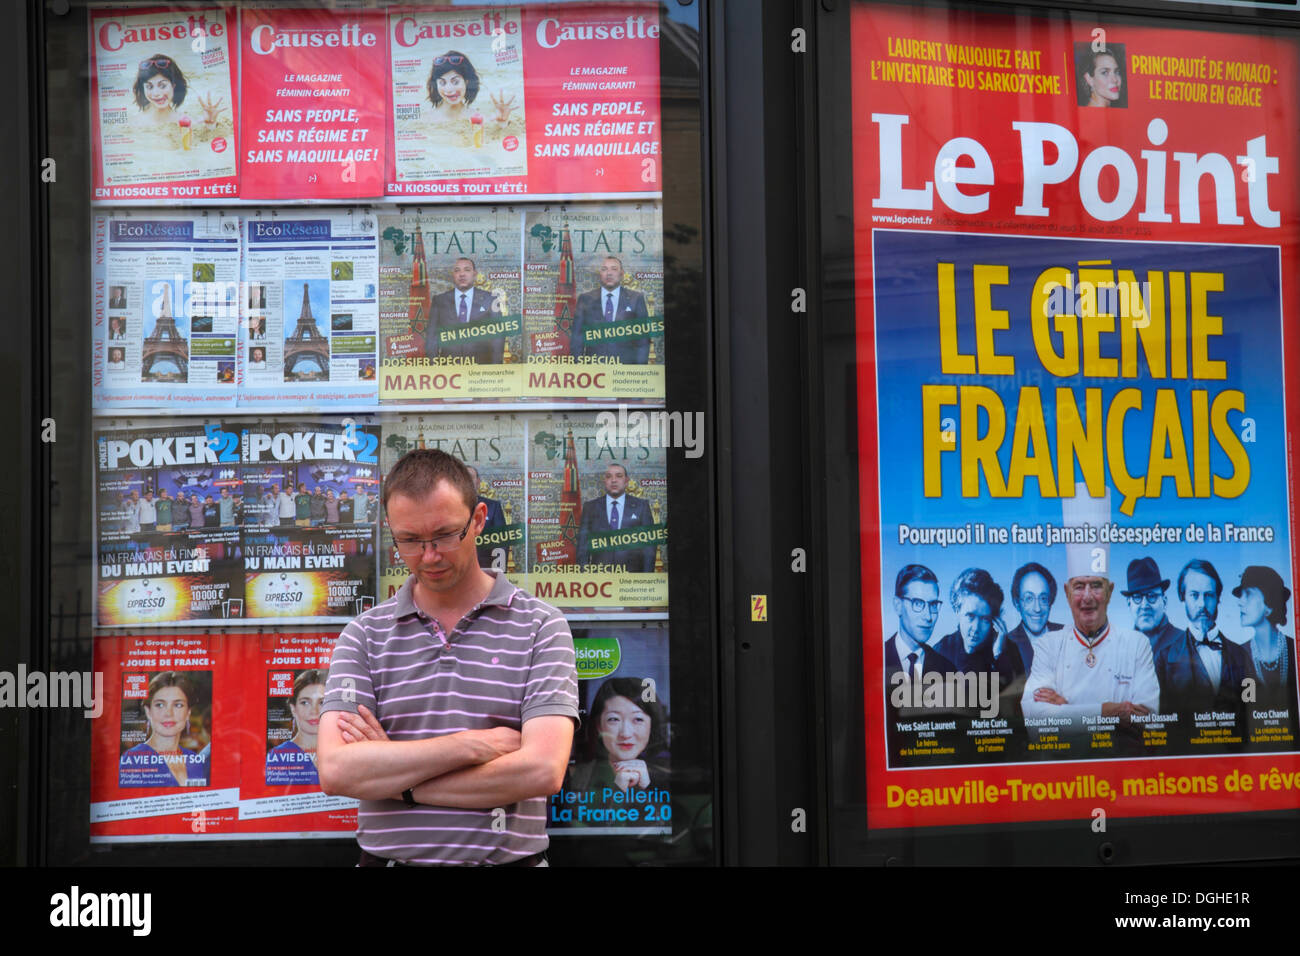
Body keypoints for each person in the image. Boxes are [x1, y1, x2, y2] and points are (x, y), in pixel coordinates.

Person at [316, 448, 578, 866]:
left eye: (443, 535)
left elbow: (541, 771)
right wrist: (473, 744)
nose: (429, 555)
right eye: (410, 540)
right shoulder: (364, 635)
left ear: (477, 520)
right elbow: (337, 771)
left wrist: (402, 784)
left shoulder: (540, 626)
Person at [1020, 573, 1159, 724]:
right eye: (1079, 587)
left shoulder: (1137, 644)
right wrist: (1106, 711)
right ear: (1067, 592)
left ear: (1109, 591)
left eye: (1096, 586)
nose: (1087, 597)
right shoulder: (1048, 645)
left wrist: (1065, 711)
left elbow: (1147, 722)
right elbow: (1036, 720)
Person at [1154, 559, 1251, 718]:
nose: (1202, 604)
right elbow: (1163, 718)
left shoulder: (1241, 655)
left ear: (1218, 598)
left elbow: (1252, 705)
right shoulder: (1164, 660)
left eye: (1209, 595)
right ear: (1182, 597)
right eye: (1194, 595)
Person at [564, 677, 669, 796]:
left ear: (651, 725)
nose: (625, 733)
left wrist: (646, 788)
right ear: (599, 725)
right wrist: (618, 790)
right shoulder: (575, 776)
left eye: (638, 719)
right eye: (614, 719)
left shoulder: (667, 776)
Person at [932, 568, 1025, 698]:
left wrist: (999, 656)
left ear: (994, 620)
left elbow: (1015, 703)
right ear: (957, 610)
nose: (976, 628)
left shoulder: (1009, 650)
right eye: (970, 616)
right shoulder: (940, 651)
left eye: (984, 619)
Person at [119, 672, 209, 787]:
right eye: (160, 705)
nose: (168, 713)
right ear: (148, 711)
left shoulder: (194, 760)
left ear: (188, 713)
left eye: (178, 705)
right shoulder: (133, 760)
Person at [1234, 565, 1296, 712]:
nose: (1240, 602)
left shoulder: (1294, 650)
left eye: (1248, 594)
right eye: (1240, 595)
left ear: (1269, 604)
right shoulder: (1237, 655)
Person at [575, 463, 655, 571]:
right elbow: (582, 548)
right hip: (600, 579)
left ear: (626, 481)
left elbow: (649, 548)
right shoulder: (590, 507)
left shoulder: (642, 506)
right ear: (604, 481)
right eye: (609, 476)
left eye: (619, 476)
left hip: (632, 579)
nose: (613, 480)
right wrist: (584, 577)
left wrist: (647, 580)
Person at [572, 257, 651, 363]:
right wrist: (578, 369)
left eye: (614, 269)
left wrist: (640, 373)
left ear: (621, 273)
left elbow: (643, 341)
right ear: (600, 274)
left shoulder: (636, 299)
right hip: (593, 371)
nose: (609, 273)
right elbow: (577, 339)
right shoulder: (585, 299)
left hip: (625, 372)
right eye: (604, 269)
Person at [424, 51, 516, 142]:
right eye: (442, 83)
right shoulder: (426, 119)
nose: (449, 89)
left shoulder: (480, 118)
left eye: (455, 82)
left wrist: (503, 123)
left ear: (467, 81)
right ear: (436, 85)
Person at [426, 257, 505, 364]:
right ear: (453, 275)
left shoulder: (490, 300)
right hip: (449, 370)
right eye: (457, 270)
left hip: (481, 370)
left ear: (474, 274)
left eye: (467, 270)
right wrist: (433, 368)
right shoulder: (439, 301)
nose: (462, 274)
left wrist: (495, 370)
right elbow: (432, 338)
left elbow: (498, 339)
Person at [266, 669, 327, 786]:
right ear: (293, 708)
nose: (314, 711)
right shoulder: (278, 758)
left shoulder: (342, 750)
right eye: (305, 703)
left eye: (322, 702)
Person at [1004, 562, 1064, 671]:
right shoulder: (1005, 646)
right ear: (1017, 603)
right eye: (1029, 599)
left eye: (1043, 598)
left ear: (1051, 601)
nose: (1037, 608)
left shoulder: (1068, 635)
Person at [1122, 557, 1182, 656]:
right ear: (1129, 604)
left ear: (1164, 602)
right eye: (1137, 597)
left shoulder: (1186, 644)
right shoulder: (1121, 650)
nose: (1145, 605)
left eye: (1152, 596)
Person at [467, 465, 506, 567]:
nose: (467, 480)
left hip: (486, 569)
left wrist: (498, 572)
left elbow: (502, 542)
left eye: (470, 477)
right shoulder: (451, 508)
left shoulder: (493, 506)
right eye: (463, 477)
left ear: (478, 482)